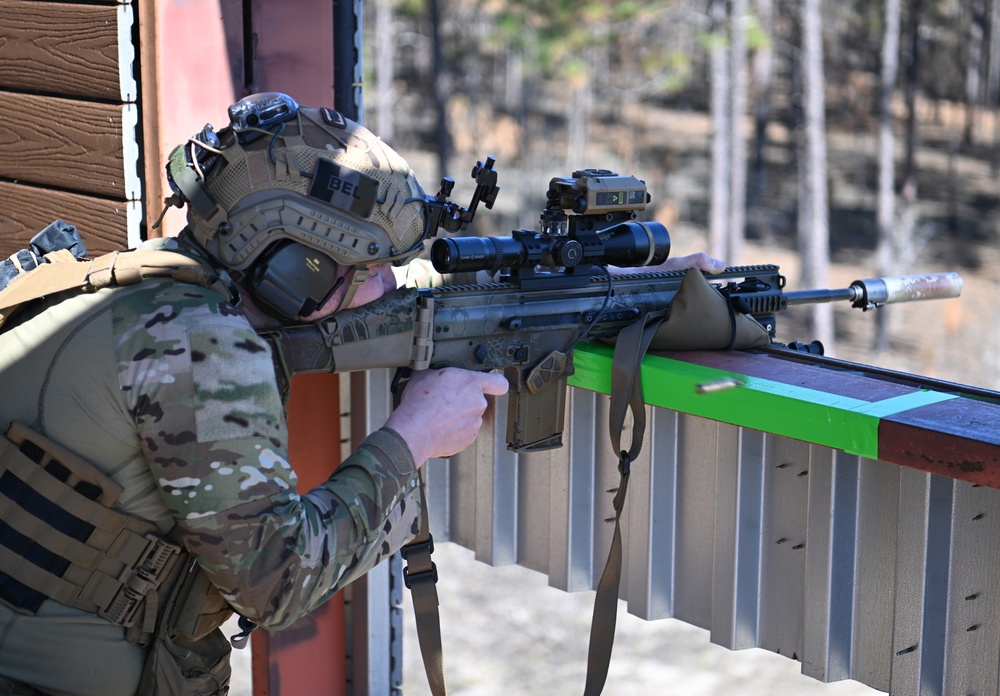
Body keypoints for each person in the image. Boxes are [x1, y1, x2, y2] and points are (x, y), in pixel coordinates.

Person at [0, 92, 722, 696]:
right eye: (367, 266)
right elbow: (278, 586)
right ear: (294, 272)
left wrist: (641, 291)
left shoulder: (137, 283)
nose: (383, 285)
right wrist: (411, 439)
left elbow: (401, 294)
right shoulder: (200, 349)